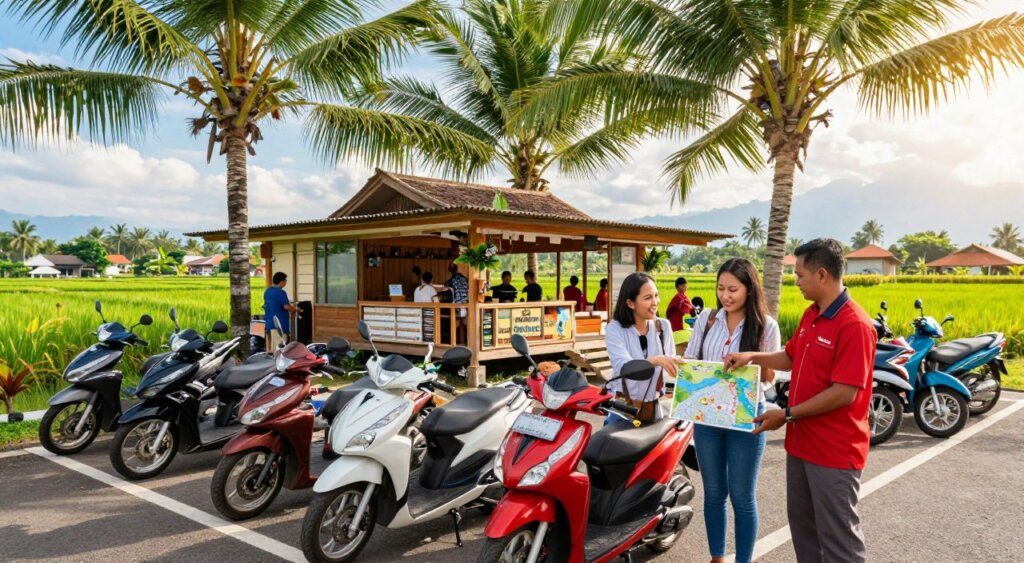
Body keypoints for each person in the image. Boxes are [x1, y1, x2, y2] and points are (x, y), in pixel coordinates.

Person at [724, 238, 875, 563]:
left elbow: (844, 391)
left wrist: (787, 414)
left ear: (822, 275)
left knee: (840, 543)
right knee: (804, 534)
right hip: (802, 446)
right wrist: (753, 356)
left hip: (834, 453)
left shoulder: (854, 325)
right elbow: (790, 357)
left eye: (800, 275)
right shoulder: (812, 314)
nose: (796, 281)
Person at [684, 259, 780, 563]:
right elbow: (691, 361)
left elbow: (771, 376)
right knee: (713, 493)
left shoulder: (766, 325)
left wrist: (750, 362)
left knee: (742, 497)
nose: (726, 295)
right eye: (721, 288)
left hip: (747, 419)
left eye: (733, 289)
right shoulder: (706, 320)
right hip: (709, 419)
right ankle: (717, 557)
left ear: (750, 290)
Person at [604, 272, 679, 425]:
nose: (655, 302)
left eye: (656, 295)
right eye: (647, 298)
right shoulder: (615, 329)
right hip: (622, 409)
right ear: (631, 303)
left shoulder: (663, 327)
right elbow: (624, 367)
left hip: (653, 409)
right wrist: (656, 360)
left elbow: (671, 367)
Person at [264, 272, 297, 350]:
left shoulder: (268, 291)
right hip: (279, 325)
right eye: (285, 281)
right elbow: (286, 306)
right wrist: (294, 310)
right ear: (282, 281)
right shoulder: (281, 292)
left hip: (269, 323)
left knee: (271, 349)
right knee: (280, 348)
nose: (285, 282)